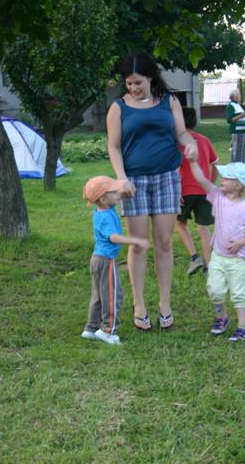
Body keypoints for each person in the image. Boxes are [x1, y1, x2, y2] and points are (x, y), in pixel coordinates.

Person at [106, 51, 198, 331]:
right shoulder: (119, 107)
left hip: (167, 177)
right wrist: (122, 179)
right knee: (138, 244)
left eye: (138, 82)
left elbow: (181, 133)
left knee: (164, 241)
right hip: (134, 181)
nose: (133, 88)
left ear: (150, 78)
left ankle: (165, 304)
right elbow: (114, 146)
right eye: (129, 83)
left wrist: (190, 143)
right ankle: (139, 305)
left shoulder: (169, 101)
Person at [184, 155, 245, 341]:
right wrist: (193, 161)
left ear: (238, 185)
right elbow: (202, 180)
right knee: (215, 291)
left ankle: (243, 328)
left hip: (238, 259)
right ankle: (222, 317)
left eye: (227, 178)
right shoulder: (218, 197)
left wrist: (241, 242)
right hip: (218, 257)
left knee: (239, 294)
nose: (222, 179)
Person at [81, 175, 150, 345]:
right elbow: (114, 238)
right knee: (112, 296)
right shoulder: (106, 217)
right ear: (103, 199)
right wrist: (136, 241)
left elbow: (115, 198)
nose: (119, 193)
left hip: (97, 259)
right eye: (114, 192)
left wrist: (122, 193)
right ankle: (107, 331)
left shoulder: (102, 209)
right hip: (106, 261)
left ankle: (91, 328)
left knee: (99, 295)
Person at [176, 106, 218, 275]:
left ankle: (194, 257)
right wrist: (210, 185)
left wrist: (176, 191)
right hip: (204, 191)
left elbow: (173, 169)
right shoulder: (204, 140)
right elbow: (215, 165)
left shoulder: (176, 143)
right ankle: (208, 266)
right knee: (203, 227)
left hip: (184, 191)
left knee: (180, 223)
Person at [226, 89, 245, 163]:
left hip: (243, 131)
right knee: (236, 149)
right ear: (233, 96)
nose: (240, 96)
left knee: (243, 149)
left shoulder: (238, 105)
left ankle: (243, 163)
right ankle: (236, 164)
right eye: (238, 95)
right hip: (236, 131)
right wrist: (241, 116)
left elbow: (243, 117)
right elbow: (230, 119)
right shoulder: (231, 106)